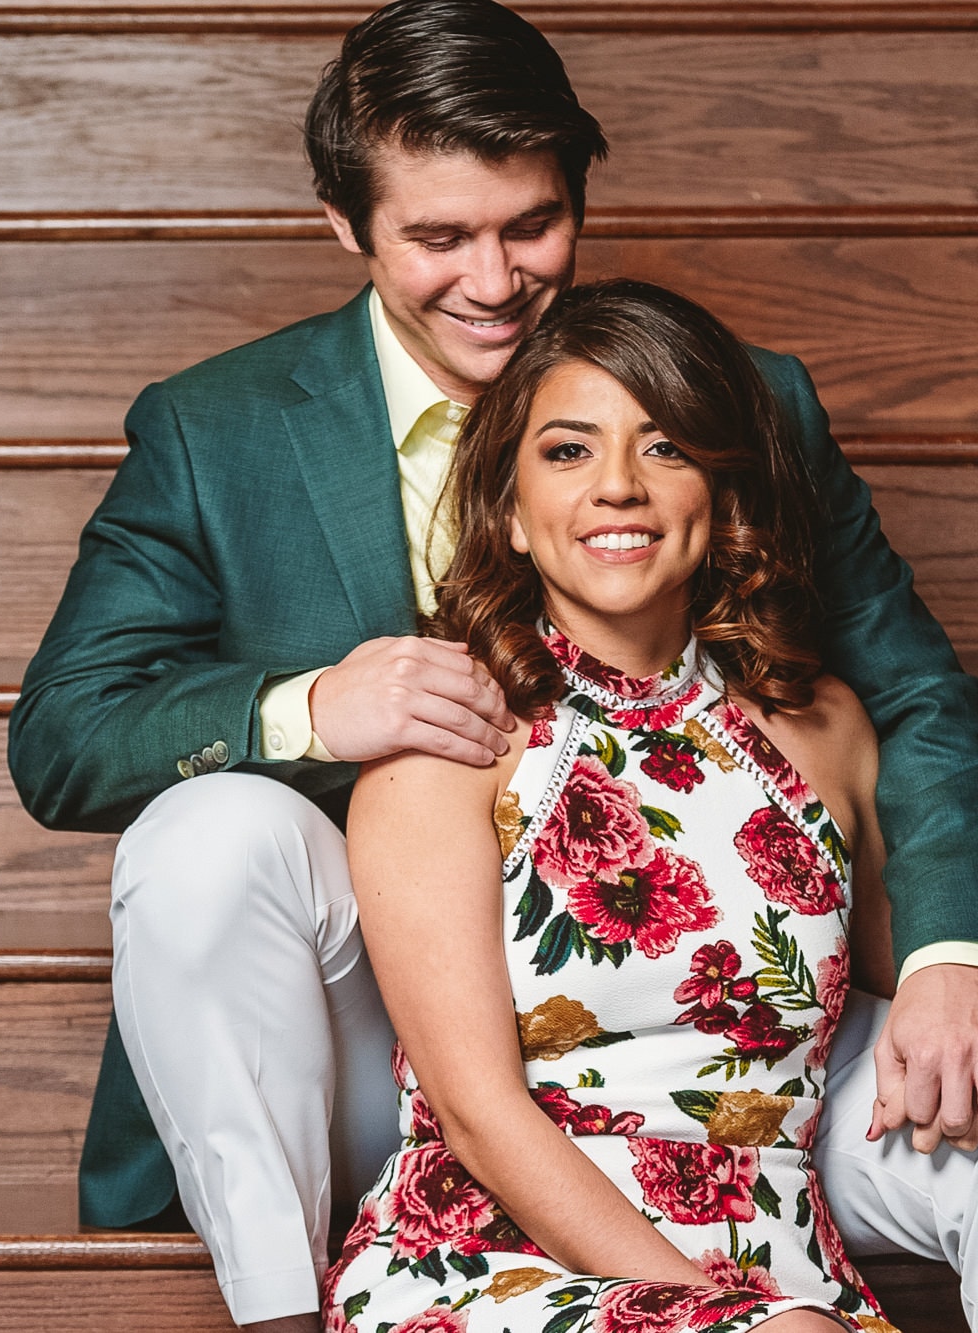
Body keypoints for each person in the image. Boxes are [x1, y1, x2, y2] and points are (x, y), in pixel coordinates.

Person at [7, 2, 978, 1330]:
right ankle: (286, 1306)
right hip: (380, 1023)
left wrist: (954, 952)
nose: (495, 280)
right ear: (346, 224)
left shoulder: (742, 401)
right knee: (208, 832)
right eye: (440, 237)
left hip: (722, 1030)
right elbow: (63, 735)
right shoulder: (214, 430)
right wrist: (318, 706)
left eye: (531, 224)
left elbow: (909, 697)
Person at [331, 278, 911, 1333]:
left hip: (784, 1262)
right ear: (507, 509)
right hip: (488, 1262)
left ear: (723, 497)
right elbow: (475, 1112)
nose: (616, 488)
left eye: (665, 447)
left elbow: (906, 1000)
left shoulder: (825, 732)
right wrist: (735, 1317)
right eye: (566, 450)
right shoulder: (449, 748)